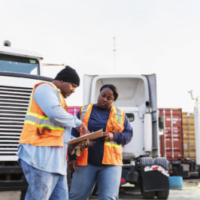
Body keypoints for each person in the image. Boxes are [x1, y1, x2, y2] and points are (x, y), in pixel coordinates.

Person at [17, 66, 89, 200]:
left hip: (55, 161)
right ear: (61, 80)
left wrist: (76, 141)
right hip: (39, 156)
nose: (73, 90)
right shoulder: (45, 88)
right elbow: (54, 114)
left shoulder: (59, 98)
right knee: (38, 197)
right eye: (72, 86)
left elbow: (58, 132)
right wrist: (79, 123)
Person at [68, 84, 133, 200]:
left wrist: (114, 135)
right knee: (76, 196)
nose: (104, 99)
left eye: (109, 98)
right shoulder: (84, 110)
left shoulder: (120, 114)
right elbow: (73, 135)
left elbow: (128, 135)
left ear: (113, 100)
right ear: (99, 94)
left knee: (108, 197)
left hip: (111, 164)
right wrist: (72, 158)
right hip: (85, 162)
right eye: (103, 95)